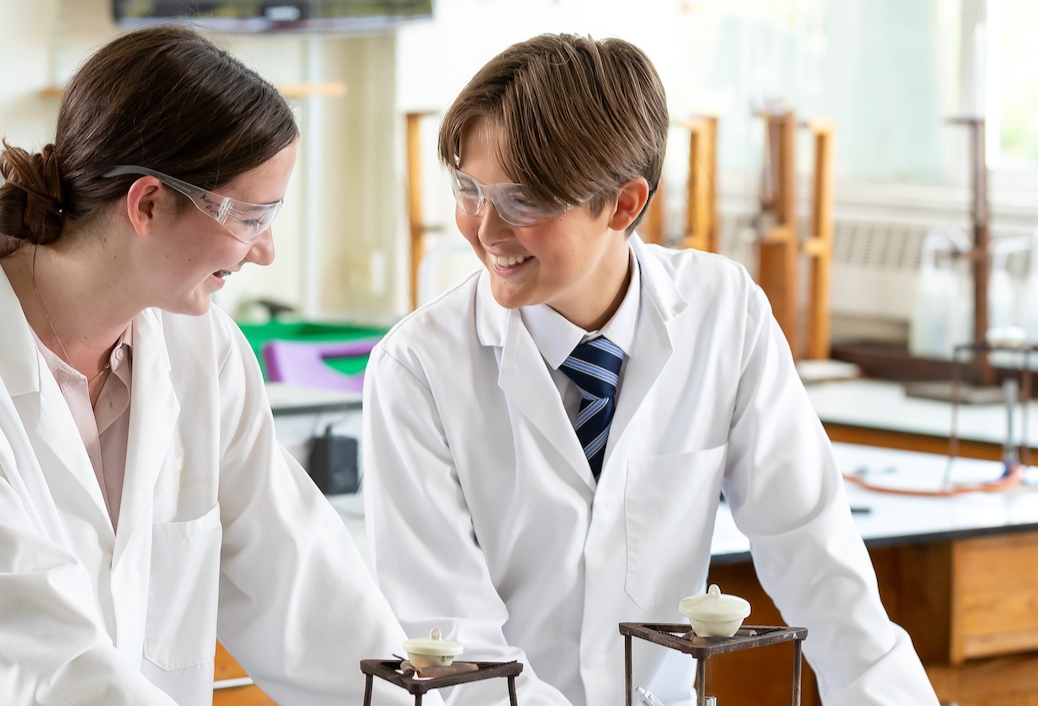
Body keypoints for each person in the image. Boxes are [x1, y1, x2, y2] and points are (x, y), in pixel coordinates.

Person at [0, 25, 415, 706]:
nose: (266, 251)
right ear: (149, 204)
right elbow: (41, 665)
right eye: (252, 217)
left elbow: (300, 584)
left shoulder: (203, 350)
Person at [362, 34, 939, 706]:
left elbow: (818, 559)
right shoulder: (416, 369)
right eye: (468, 190)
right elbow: (457, 651)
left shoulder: (726, 313)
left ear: (625, 203)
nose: (484, 228)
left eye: (522, 201)